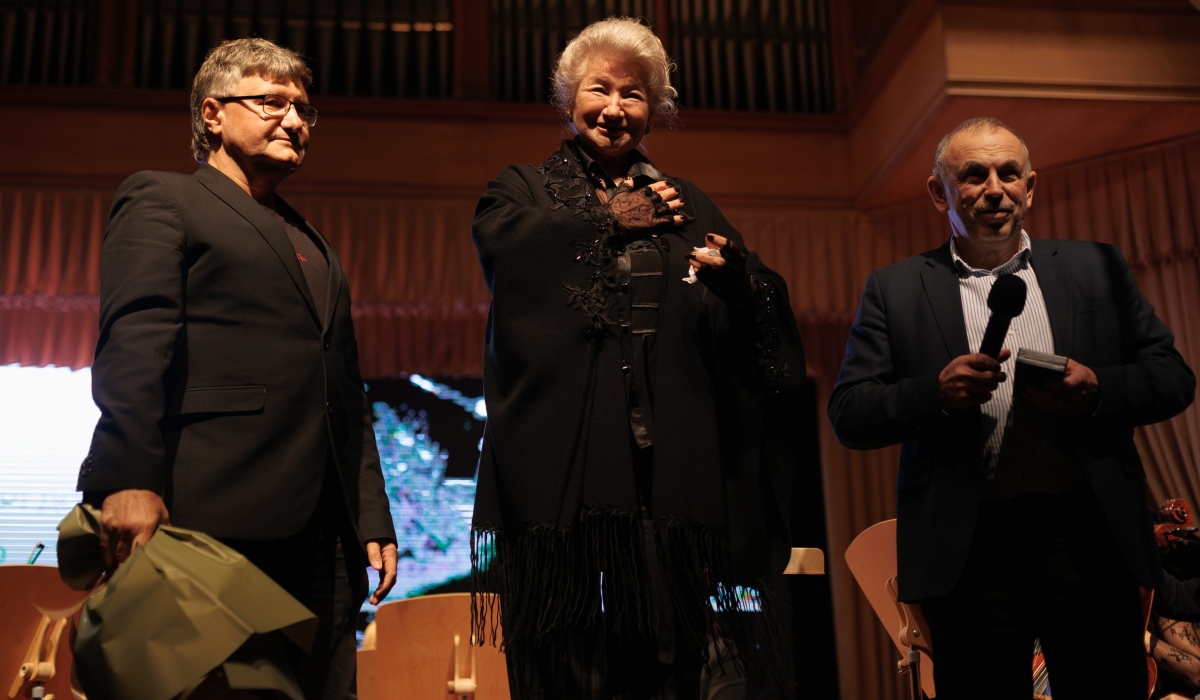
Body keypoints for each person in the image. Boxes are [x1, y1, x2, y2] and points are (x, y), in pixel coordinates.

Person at [469, 17, 806, 700]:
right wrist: (608, 220)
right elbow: (506, 248)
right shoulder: (524, 187)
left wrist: (738, 283)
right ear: (569, 97)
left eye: (634, 94)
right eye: (600, 89)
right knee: (565, 669)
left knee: (665, 665)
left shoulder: (688, 201)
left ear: (655, 110)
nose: (615, 108)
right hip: (563, 485)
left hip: (665, 477)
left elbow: (760, 305)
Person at [828, 117, 1195, 699]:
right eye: (974, 175)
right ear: (939, 192)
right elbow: (849, 413)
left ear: (1031, 186)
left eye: (1009, 173)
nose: (995, 189)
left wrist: (1097, 388)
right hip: (970, 551)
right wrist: (934, 393)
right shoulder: (894, 289)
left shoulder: (1096, 267)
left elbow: (1173, 379)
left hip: (1089, 537)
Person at [77, 37, 397, 698]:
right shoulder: (163, 198)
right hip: (208, 520)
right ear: (213, 114)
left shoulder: (313, 242)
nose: (295, 120)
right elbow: (136, 342)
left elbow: (344, 391)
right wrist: (127, 478)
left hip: (325, 542)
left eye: (304, 109)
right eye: (272, 102)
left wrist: (370, 514)